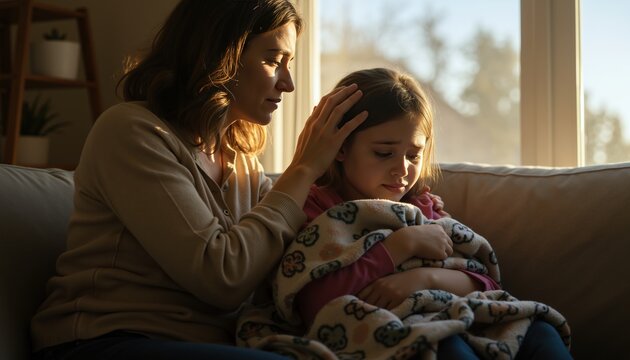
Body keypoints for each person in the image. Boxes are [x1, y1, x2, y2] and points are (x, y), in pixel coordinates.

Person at [28, 1, 374, 359]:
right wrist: (303, 169)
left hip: (211, 344)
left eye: (289, 63)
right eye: (273, 60)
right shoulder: (132, 131)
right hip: (106, 339)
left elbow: (298, 258)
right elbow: (222, 277)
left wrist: (407, 257)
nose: (287, 83)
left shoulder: (243, 166)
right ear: (219, 53)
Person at [294, 68, 572, 359]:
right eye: (383, 153)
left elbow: (486, 284)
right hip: (397, 333)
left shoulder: (423, 209)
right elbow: (317, 301)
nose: (402, 170)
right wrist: (399, 247)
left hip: (451, 314)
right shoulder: (316, 210)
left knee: (539, 331)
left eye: (414, 155)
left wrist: (425, 279)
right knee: (445, 345)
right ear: (341, 146)